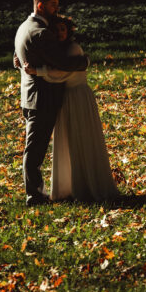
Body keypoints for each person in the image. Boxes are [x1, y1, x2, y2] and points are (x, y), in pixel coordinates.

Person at [23, 15, 119, 203]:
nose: (59, 33)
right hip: (66, 100)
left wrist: (37, 71)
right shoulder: (57, 50)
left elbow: (62, 74)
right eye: (56, 30)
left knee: (82, 141)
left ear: (69, 32)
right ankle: (70, 186)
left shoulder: (73, 49)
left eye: (62, 30)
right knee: (68, 143)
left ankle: (88, 186)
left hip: (78, 98)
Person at [14, 0, 88, 206]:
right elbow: (61, 62)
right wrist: (85, 62)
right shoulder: (41, 33)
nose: (57, 9)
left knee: (34, 147)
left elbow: (17, 57)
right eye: (53, 4)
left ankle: (36, 192)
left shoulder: (23, 27)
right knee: (35, 150)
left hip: (29, 95)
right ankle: (34, 195)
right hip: (42, 97)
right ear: (41, 6)